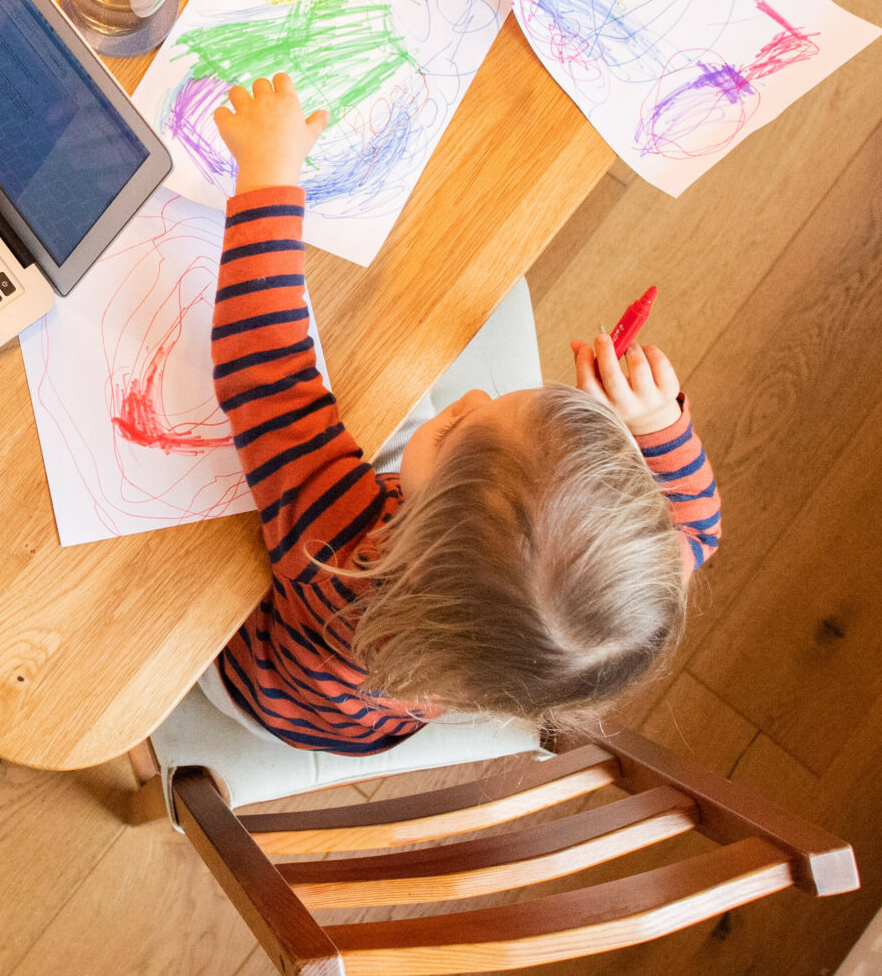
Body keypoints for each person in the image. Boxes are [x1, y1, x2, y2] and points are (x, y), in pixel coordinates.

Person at [200, 74, 721, 755]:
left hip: (258, 681)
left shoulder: (341, 541)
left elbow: (266, 367)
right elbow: (696, 523)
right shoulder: (628, 596)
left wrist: (268, 177)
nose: (469, 397)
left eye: (447, 430)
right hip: (382, 709)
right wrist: (656, 424)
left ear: (406, 535)